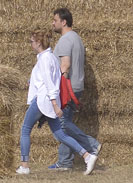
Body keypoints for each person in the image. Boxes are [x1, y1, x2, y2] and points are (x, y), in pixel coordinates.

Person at [17, 32, 100, 175]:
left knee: (25, 129)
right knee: (60, 134)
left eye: (31, 41)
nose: (30, 44)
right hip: (49, 100)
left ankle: (24, 166)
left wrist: (55, 105)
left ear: (38, 43)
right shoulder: (50, 57)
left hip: (43, 100)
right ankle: (87, 156)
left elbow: (50, 83)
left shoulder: (45, 59)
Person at [48, 8, 99, 171]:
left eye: (55, 20)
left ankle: (91, 145)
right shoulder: (76, 38)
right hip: (76, 86)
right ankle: (65, 162)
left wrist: (60, 88)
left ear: (64, 22)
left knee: (62, 125)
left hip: (67, 88)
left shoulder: (65, 40)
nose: (52, 23)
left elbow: (66, 65)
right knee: (65, 123)